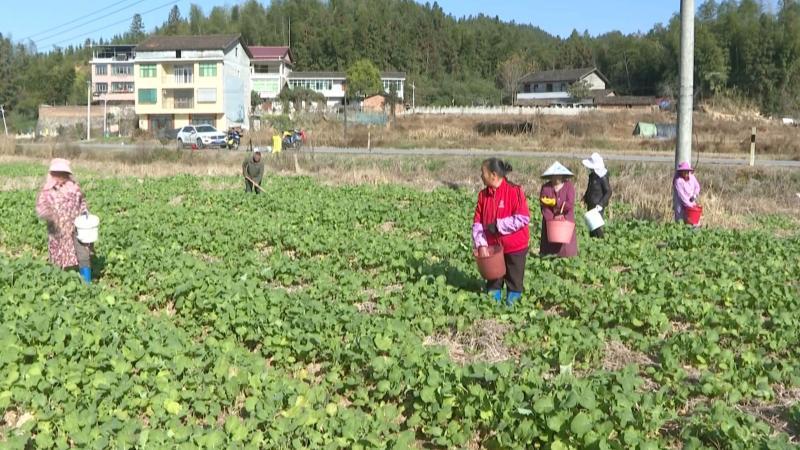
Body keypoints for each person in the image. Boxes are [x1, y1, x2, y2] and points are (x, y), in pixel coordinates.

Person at [472, 158, 531, 306]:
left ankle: (512, 308)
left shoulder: (514, 191)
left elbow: (523, 218)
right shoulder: (482, 196)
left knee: (514, 280)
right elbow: (477, 223)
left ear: (493, 175)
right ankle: (492, 307)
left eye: (482, 173)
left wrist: (499, 226)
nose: (481, 176)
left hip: (515, 247)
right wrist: (481, 244)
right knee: (493, 280)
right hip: (493, 248)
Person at [35, 158, 92, 283]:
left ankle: (87, 282)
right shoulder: (47, 190)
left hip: (77, 226)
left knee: (83, 253)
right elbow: (41, 208)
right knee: (58, 254)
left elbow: (82, 202)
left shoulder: (74, 188)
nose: (59, 177)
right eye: (57, 173)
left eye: (62, 174)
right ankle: (59, 280)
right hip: (57, 228)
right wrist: (51, 217)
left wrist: (85, 212)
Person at [539, 162, 578, 258]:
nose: (556, 178)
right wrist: (552, 218)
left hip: (565, 220)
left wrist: (557, 204)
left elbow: (570, 204)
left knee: (566, 248)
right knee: (549, 247)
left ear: (562, 176)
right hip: (550, 221)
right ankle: (548, 257)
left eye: (558, 176)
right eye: (553, 176)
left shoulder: (569, 186)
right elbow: (544, 206)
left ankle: (566, 258)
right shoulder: (546, 188)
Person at [581, 152, 612, 238]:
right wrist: (584, 198)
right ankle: (593, 241)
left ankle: (601, 241)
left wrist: (601, 204)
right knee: (591, 226)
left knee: (597, 226)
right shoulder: (592, 176)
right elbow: (589, 189)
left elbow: (608, 192)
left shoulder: (603, 177)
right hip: (591, 203)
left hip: (598, 205)